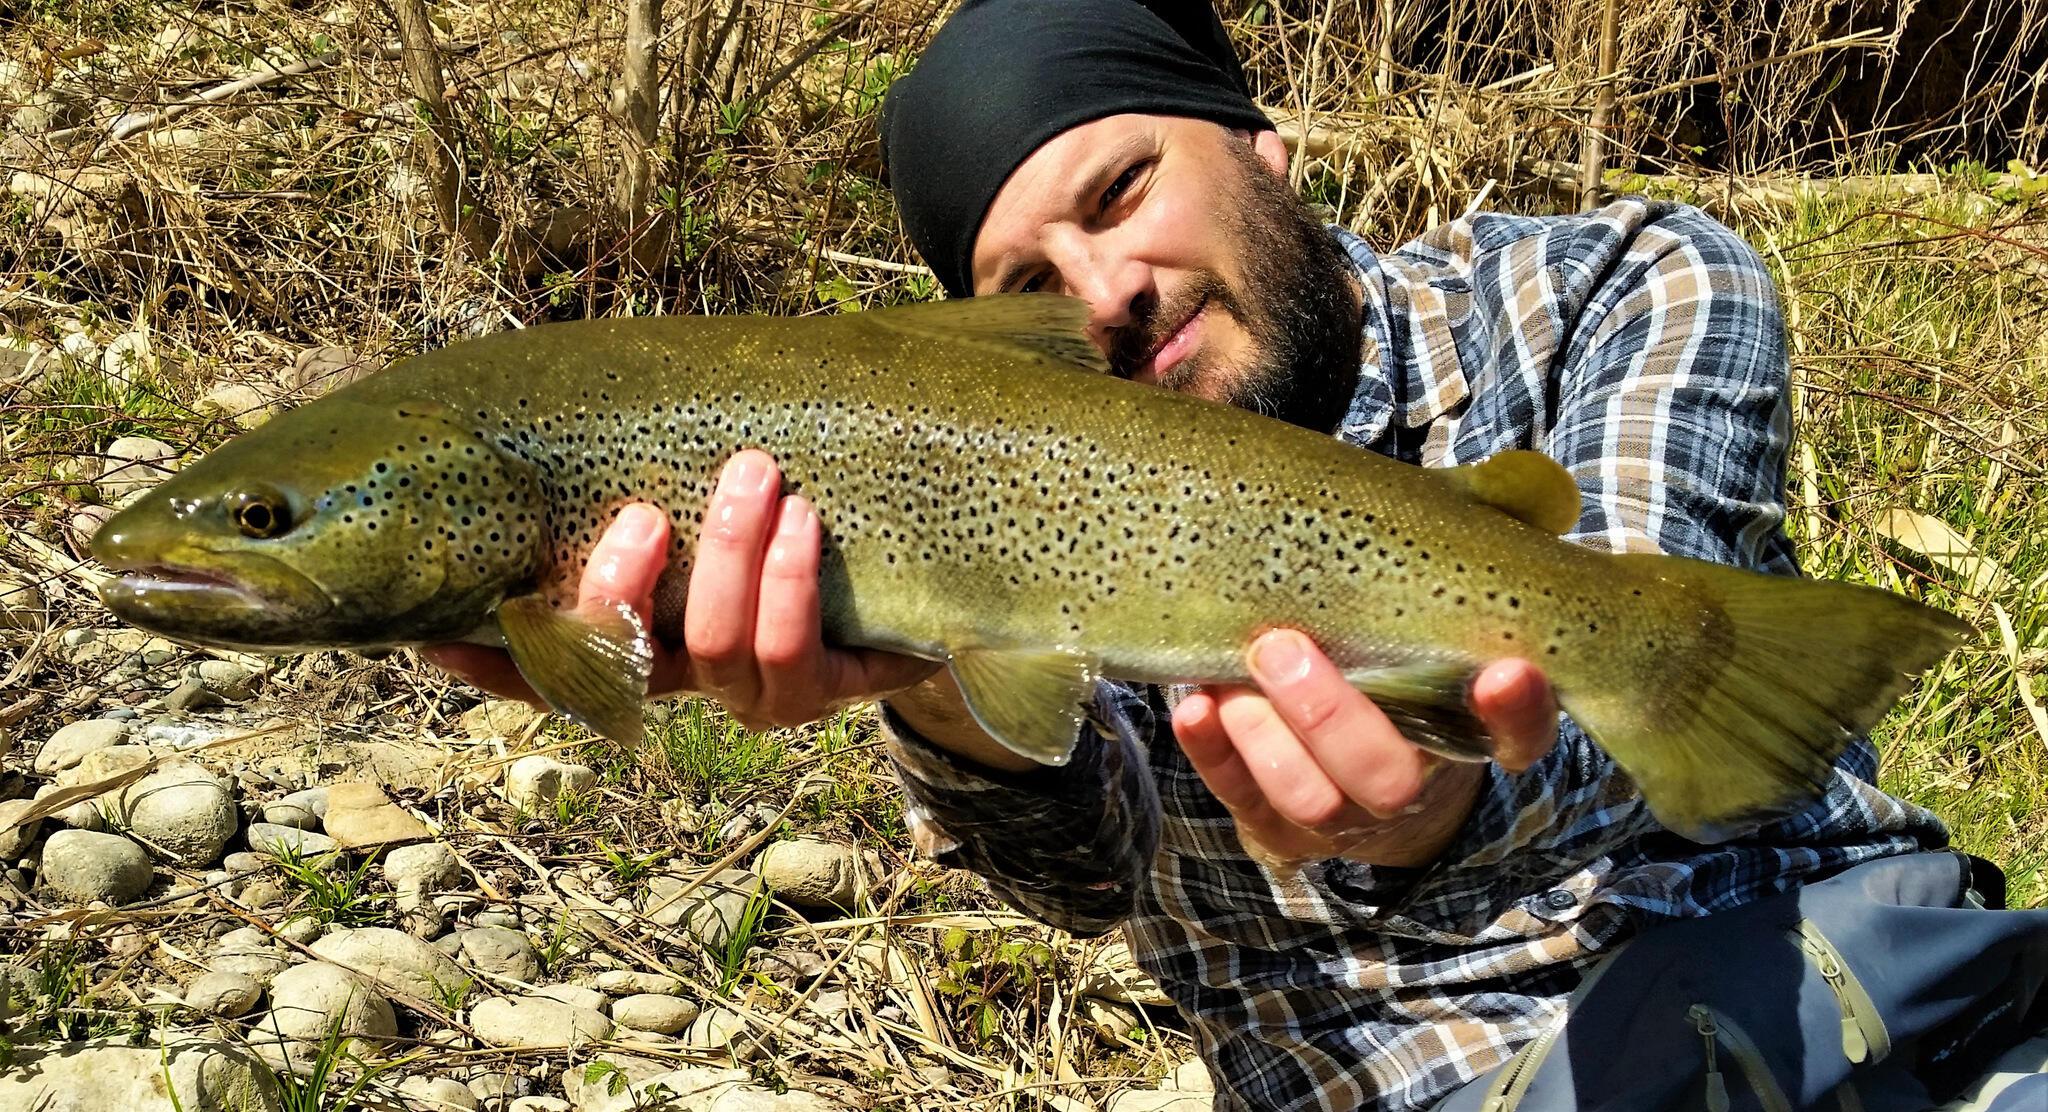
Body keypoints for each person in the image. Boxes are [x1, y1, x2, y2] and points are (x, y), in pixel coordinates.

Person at [427, 2, 2048, 1108]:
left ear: (1261, 148)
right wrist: (925, 686)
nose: (1105, 285)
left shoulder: (1615, 282)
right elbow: (1078, 872)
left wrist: (1458, 796)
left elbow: (1681, 708)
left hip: (1823, 1013)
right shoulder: (991, 487)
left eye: (1119, 189)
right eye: (1028, 278)